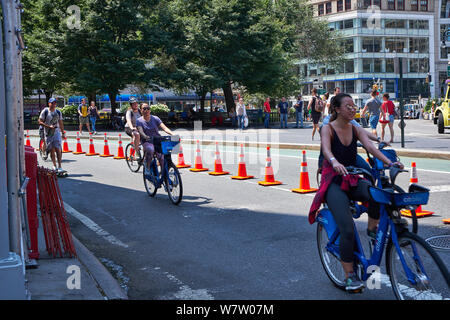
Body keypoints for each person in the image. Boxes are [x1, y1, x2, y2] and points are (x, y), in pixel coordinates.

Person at [309, 93, 403, 291]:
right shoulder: (328, 128)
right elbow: (326, 150)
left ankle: (371, 229)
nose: (353, 109)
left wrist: (391, 162)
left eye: (354, 106)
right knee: (347, 229)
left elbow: (370, 147)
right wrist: (334, 162)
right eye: (348, 106)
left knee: (378, 195)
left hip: (351, 178)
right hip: (333, 181)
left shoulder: (355, 128)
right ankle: (349, 275)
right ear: (336, 109)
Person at [136, 103, 174, 176]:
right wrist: (145, 136)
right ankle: (147, 167)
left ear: (150, 110)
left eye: (148, 108)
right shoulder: (139, 120)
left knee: (162, 157)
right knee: (150, 149)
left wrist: (173, 134)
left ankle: (164, 173)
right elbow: (140, 131)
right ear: (141, 110)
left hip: (157, 139)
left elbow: (164, 128)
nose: (146, 110)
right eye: (144, 108)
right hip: (146, 140)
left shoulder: (155, 118)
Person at [38, 98, 66, 174]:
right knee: (51, 150)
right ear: (49, 103)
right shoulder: (45, 111)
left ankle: (60, 166)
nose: (54, 105)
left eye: (55, 103)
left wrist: (63, 132)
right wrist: (48, 126)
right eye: (52, 103)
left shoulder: (58, 112)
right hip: (48, 133)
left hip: (56, 133)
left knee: (58, 149)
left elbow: (60, 122)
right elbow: (39, 121)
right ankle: (54, 165)